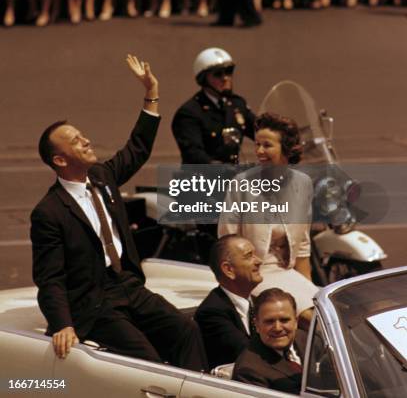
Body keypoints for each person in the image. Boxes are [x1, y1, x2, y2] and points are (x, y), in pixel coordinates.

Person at [31, 55, 207, 371]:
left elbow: (137, 148)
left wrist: (151, 93)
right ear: (60, 160)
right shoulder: (50, 212)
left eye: (81, 135)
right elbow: (50, 278)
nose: (86, 140)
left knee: (187, 332)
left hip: (129, 286)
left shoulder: (102, 176)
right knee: (148, 363)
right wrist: (62, 324)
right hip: (96, 303)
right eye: (75, 141)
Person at [218, 112, 318, 326]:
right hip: (254, 275)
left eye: (267, 145)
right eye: (257, 145)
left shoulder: (303, 184)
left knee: (329, 312)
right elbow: (226, 243)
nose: (259, 151)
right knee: (311, 321)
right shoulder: (241, 184)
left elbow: (303, 248)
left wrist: (310, 290)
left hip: (288, 272)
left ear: (286, 148)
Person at [172, 48, 255, 165]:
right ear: (203, 79)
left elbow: (259, 131)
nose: (225, 78)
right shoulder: (189, 112)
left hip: (232, 178)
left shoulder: (237, 105)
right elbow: (193, 154)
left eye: (229, 71)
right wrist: (219, 167)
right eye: (218, 73)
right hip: (201, 180)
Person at [195, 235, 263, 369]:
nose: (259, 261)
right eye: (249, 256)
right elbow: (250, 356)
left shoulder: (258, 302)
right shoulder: (211, 313)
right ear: (228, 270)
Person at [233, 288, 307, 394]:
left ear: (296, 322)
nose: (277, 328)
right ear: (257, 325)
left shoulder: (310, 340)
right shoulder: (248, 370)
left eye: (284, 320)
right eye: (269, 321)